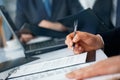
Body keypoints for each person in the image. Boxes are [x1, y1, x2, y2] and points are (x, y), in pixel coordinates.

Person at [15, 0, 82, 43]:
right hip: (38, 46)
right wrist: (23, 37)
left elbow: (82, 20)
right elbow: (18, 29)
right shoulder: (22, 2)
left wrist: (63, 27)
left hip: (66, 43)